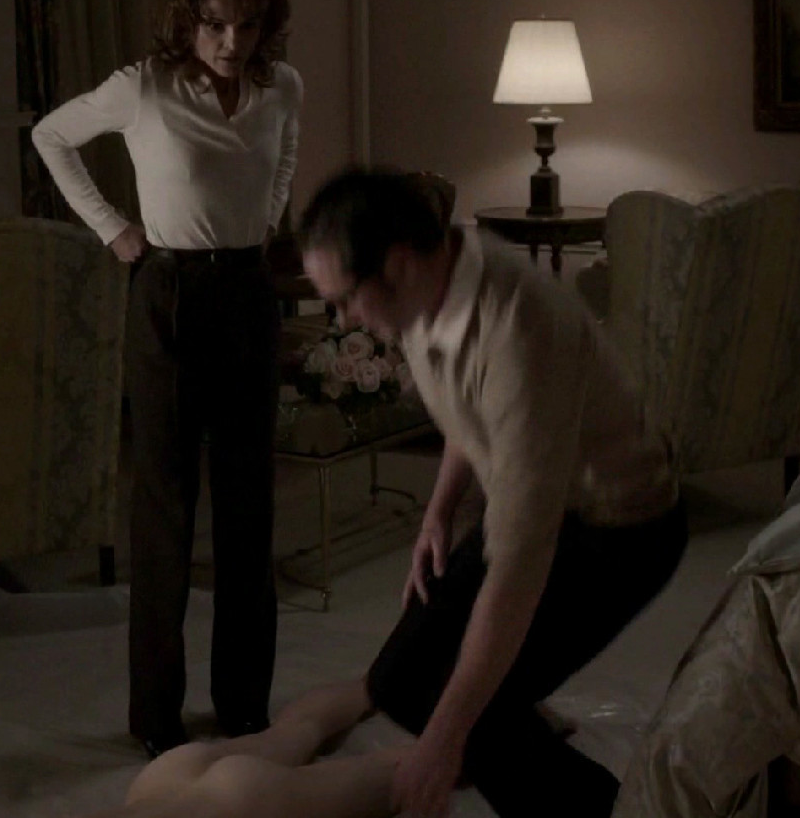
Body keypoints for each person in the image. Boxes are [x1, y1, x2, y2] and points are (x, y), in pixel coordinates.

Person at [294, 167, 689, 818]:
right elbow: (468, 407)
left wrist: (445, 743)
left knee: (471, 718)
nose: (342, 320)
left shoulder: (522, 331)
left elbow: (517, 569)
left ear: (398, 264)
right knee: (398, 684)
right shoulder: (433, 286)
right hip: (533, 501)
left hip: (620, 528)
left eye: (343, 300)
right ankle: (521, 736)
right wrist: (438, 514)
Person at [31, 0, 302, 758]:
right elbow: (51, 136)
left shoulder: (282, 87)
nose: (230, 41)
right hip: (170, 295)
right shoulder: (143, 86)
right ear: (188, 21)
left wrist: (266, 220)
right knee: (165, 509)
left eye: (245, 25)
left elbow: (285, 153)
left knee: (249, 507)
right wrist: (113, 229)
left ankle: (244, 706)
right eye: (215, 24)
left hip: (248, 294)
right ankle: (156, 716)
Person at [0, 679, 402, 818]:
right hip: (164, 780)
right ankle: (386, 677)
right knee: (297, 730)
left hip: (233, 805)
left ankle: (420, 684)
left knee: (400, 775)